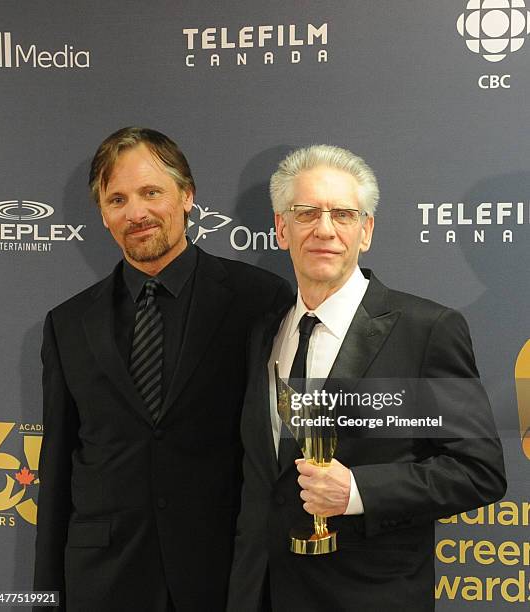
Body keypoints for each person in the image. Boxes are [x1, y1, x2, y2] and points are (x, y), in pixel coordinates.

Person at [227, 145, 506, 612]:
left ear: (366, 231)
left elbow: (479, 472)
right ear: (281, 228)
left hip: (367, 596)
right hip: (262, 593)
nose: (325, 229)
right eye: (306, 212)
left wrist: (357, 491)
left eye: (342, 214)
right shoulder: (264, 333)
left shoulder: (427, 330)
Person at [33, 127, 293, 612]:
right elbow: (57, 469)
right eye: (117, 199)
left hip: (224, 576)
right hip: (104, 581)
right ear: (104, 216)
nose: (136, 213)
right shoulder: (67, 324)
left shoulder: (261, 300)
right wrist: (45, 598)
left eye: (152, 192)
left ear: (187, 196)